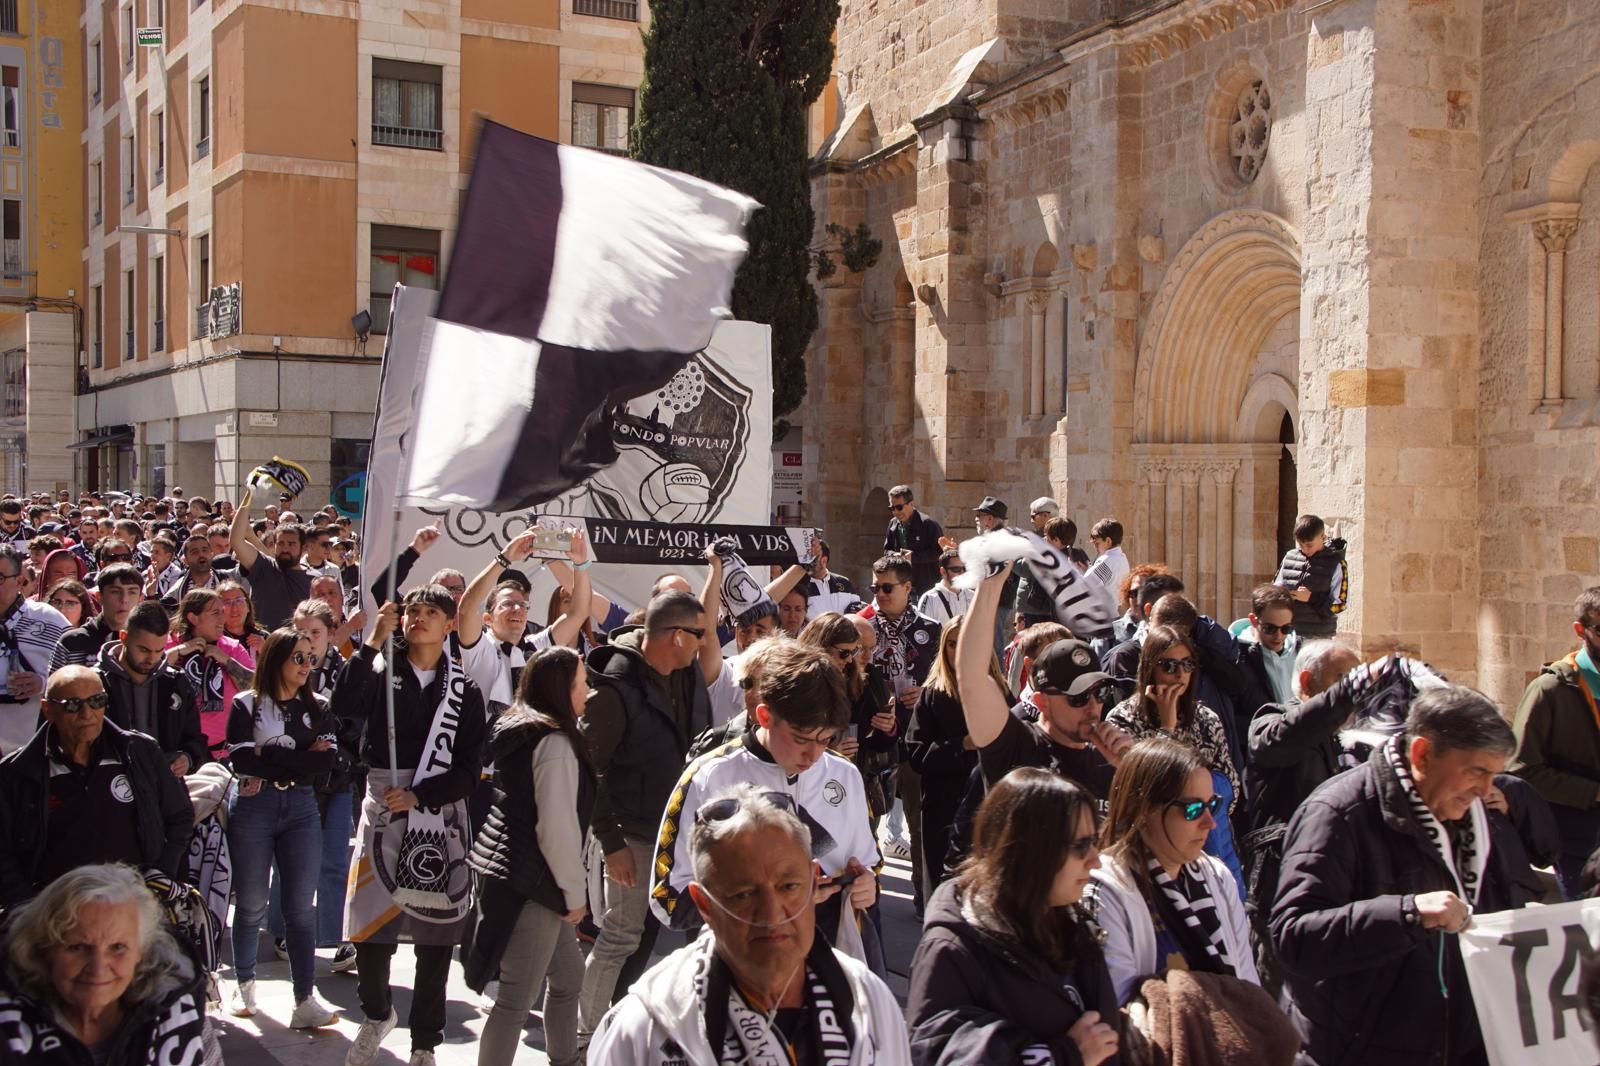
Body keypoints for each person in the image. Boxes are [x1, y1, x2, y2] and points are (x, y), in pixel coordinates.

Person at [1272, 687, 1520, 1066]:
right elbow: (1294, 938)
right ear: (1422, 753)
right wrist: (1408, 914)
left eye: (1494, 776)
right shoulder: (1338, 813)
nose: (1487, 791)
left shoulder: (1478, 823)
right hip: (1356, 1050)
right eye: (1477, 772)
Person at [589, 784, 912, 1066]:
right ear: (704, 904)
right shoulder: (645, 1027)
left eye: (788, 887)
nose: (772, 914)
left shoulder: (869, 1003)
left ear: (814, 884)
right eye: (744, 894)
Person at [336, 588, 486, 1066]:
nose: (419, 619)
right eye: (412, 612)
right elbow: (341, 708)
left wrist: (423, 795)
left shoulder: (465, 690)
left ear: (449, 625)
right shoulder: (380, 670)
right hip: (383, 805)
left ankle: (425, 1042)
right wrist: (368, 643)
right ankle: (376, 1012)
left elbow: (468, 769)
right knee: (370, 927)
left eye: (431, 613)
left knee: (434, 932)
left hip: (438, 812)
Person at [651, 641, 880, 949]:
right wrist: (771, 904)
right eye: (800, 738)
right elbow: (669, 899)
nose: (813, 754)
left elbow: (869, 862)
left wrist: (867, 884)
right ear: (764, 716)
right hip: (739, 966)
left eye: (826, 739)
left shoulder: (845, 774)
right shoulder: (709, 776)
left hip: (829, 961)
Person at [577, 588, 716, 1044]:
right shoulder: (614, 685)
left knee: (643, 939)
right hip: (629, 833)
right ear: (677, 636)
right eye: (698, 634)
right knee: (620, 936)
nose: (704, 641)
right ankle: (587, 1038)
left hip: (673, 830)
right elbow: (588, 772)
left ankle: (618, 1028)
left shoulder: (684, 670)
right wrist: (611, 844)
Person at [908, 768, 1119, 1065]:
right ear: (1031, 850)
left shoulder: (1073, 926)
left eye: (1095, 841)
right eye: (1081, 846)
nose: (1096, 860)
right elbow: (936, 1053)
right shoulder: (954, 949)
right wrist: (1065, 1056)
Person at [467, 648, 596, 1066]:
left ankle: (565, 1060)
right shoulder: (555, 741)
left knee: (567, 980)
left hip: (520, 873)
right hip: (534, 882)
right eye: (582, 682)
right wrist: (575, 895)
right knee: (516, 1001)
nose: (588, 690)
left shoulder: (526, 729)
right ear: (562, 690)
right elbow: (556, 827)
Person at [223, 627, 342, 1027]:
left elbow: (326, 762)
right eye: (299, 658)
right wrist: (299, 756)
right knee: (252, 902)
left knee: (299, 908)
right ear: (276, 658)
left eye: (312, 658)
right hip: (255, 806)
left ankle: (304, 998)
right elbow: (242, 761)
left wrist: (268, 752)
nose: (307, 665)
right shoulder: (247, 704)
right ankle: (244, 983)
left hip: (302, 808)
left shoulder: (319, 706)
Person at [0, 666, 194, 907]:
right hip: (56, 916)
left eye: (96, 701)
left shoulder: (139, 753)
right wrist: (29, 907)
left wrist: (160, 875)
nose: (87, 714)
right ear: (48, 710)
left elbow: (180, 816)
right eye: (73, 704)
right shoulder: (18, 772)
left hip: (134, 907)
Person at [1089, 736, 1258, 1004]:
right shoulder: (1105, 892)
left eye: (1212, 805)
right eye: (1192, 810)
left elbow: (1248, 983)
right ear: (1144, 810)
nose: (1209, 823)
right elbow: (1121, 1010)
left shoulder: (1217, 875)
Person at [0, 864, 208, 1064]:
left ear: (141, 952)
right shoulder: (7, 1025)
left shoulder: (179, 1010)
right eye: (78, 947)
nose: (98, 968)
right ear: (44, 950)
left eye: (117, 947)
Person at [1105, 623, 1244, 890]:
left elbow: (1231, 788)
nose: (1180, 674)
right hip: (1151, 857)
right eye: (1169, 666)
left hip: (1210, 843)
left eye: (1187, 664)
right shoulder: (1122, 720)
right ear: (1150, 669)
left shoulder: (1205, 718)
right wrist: (1167, 729)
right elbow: (1144, 794)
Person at [1509, 584, 1600, 897]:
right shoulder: (1549, 691)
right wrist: (1593, 793)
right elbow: (1521, 770)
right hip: (1579, 842)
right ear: (1580, 629)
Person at [905, 614, 992, 901]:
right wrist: (962, 744)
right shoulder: (932, 696)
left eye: (966, 642)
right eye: (952, 643)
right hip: (943, 807)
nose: (959, 649)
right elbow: (917, 755)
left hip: (986, 806)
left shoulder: (997, 693)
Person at [95, 601, 208, 776]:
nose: (151, 658)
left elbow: (194, 738)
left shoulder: (176, 682)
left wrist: (187, 758)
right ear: (124, 637)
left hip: (163, 789)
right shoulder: (95, 682)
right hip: (111, 788)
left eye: (159, 650)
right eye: (144, 649)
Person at [167, 588, 256, 754]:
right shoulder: (170, 645)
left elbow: (254, 689)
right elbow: (148, 674)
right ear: (193, 617)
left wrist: (227, 661)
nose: (223, 618)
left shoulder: (232, 648)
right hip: (178, 753)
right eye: (216, 613)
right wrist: (178, 652)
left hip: (223, 752)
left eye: (222, 612)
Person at [230, 489, 312, 628]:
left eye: (291, 544)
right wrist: (250, 492)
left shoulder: (314, 580)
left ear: (304, 548)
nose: (285, 548)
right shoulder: (264, 567)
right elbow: (236, 541)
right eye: (280, 543)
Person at [49, 563, 143, 671]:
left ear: (141, 598)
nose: (124, 599)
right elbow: (54, 686)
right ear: (99, 597)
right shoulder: (72, 642)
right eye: (115, 592)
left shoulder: (146, 641)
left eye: (132, 592)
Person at [1272, 513, 1348, 639]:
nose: (1304, 549)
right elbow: (1275, 588)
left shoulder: (1337, 563)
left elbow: (1340, 605)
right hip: (1287, 634)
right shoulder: (1289, 557)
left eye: (1309, 545)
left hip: (1318, 637)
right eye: (1300, 544)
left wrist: (1311, 598)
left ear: (1323, 537)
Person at [1238, 582, 1300, 710]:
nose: (1279, 636)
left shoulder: (1300, 650)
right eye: (1270, 628)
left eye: (1285, 628)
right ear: (1254, 620)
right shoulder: (1236, 656)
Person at [884, 485, 947, 594]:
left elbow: (940, 553)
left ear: (911, 504)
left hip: (926, 586)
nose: (896, 512)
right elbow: (886, 550)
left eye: (899, 507)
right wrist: (894, 555)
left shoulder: (928, 524)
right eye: (892, 508)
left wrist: (914, 557)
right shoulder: (893, 524)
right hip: (901, 585)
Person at [914, 549, 972, 626]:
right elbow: (925, 633)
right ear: (943, 571)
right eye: (956, 569)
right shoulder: (929, 599)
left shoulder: (973, 596)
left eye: (965, 569)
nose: (962, 573)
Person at [219, 578, 269, 659]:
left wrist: (265, 651)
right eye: (227, 603)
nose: (234, 608)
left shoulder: (263, 637)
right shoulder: (214, 640)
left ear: (248, 607)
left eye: (239, 601)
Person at [1084, 518, 1130, 591]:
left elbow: (1085, 584)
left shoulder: (1107, 559)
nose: (1095, 547)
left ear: (1108, 541)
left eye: (1097, 543)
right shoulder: (1123, 558)